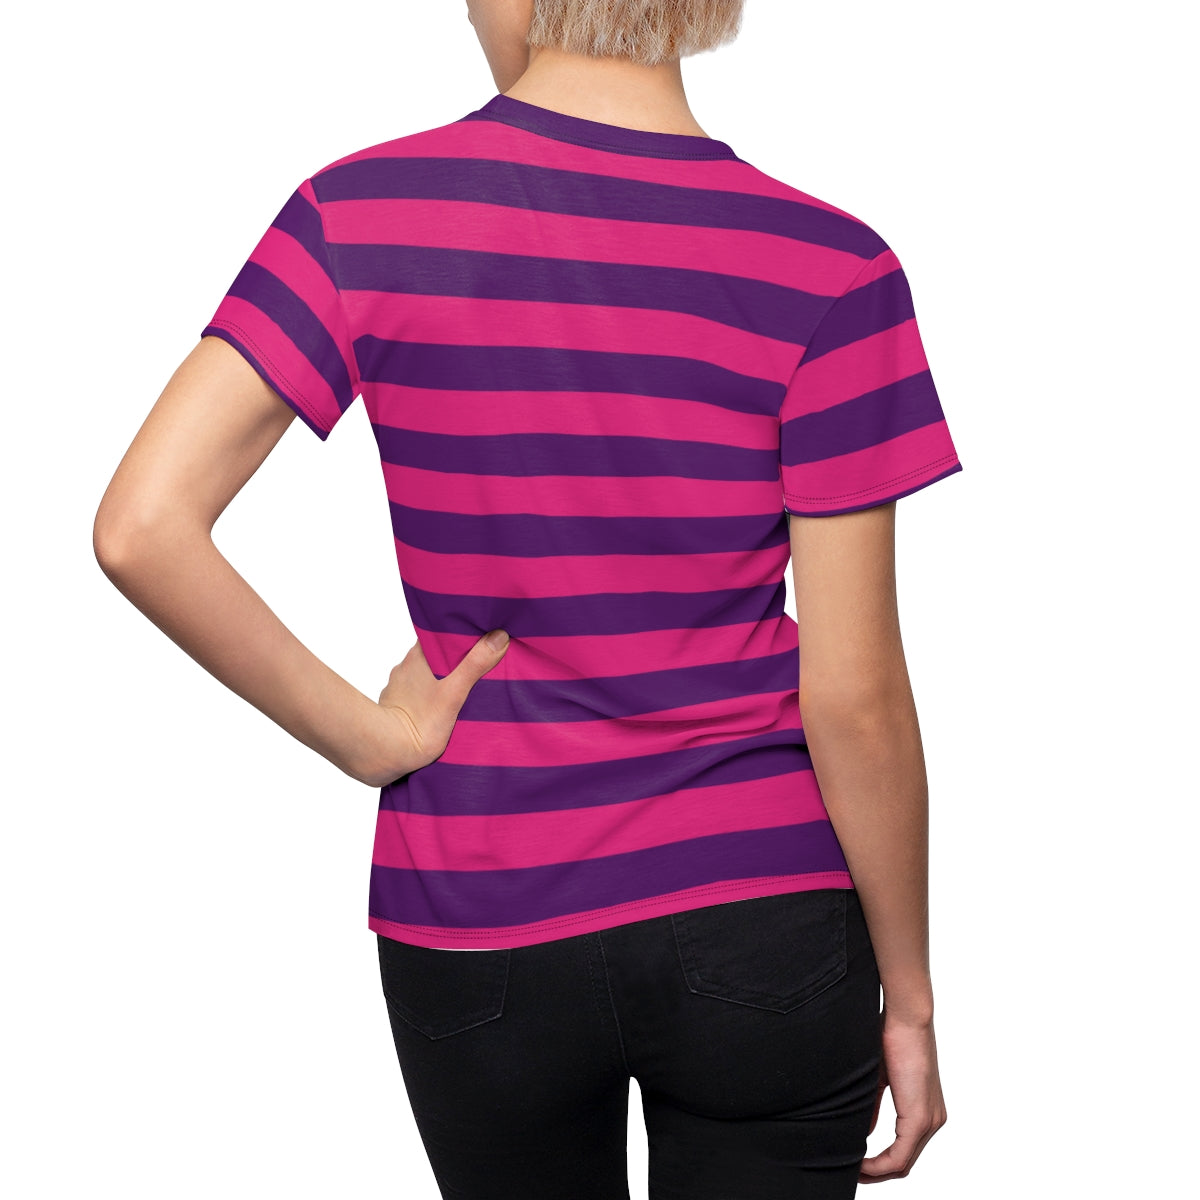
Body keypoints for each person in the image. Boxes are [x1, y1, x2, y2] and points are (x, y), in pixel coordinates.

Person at [93, 1, 958, 1195]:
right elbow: (855, 698)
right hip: (763, 916)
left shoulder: (358, 214)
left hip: (480, 908)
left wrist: (373, 739)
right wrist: (907, 996)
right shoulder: (832, 265)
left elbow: (142, 527)